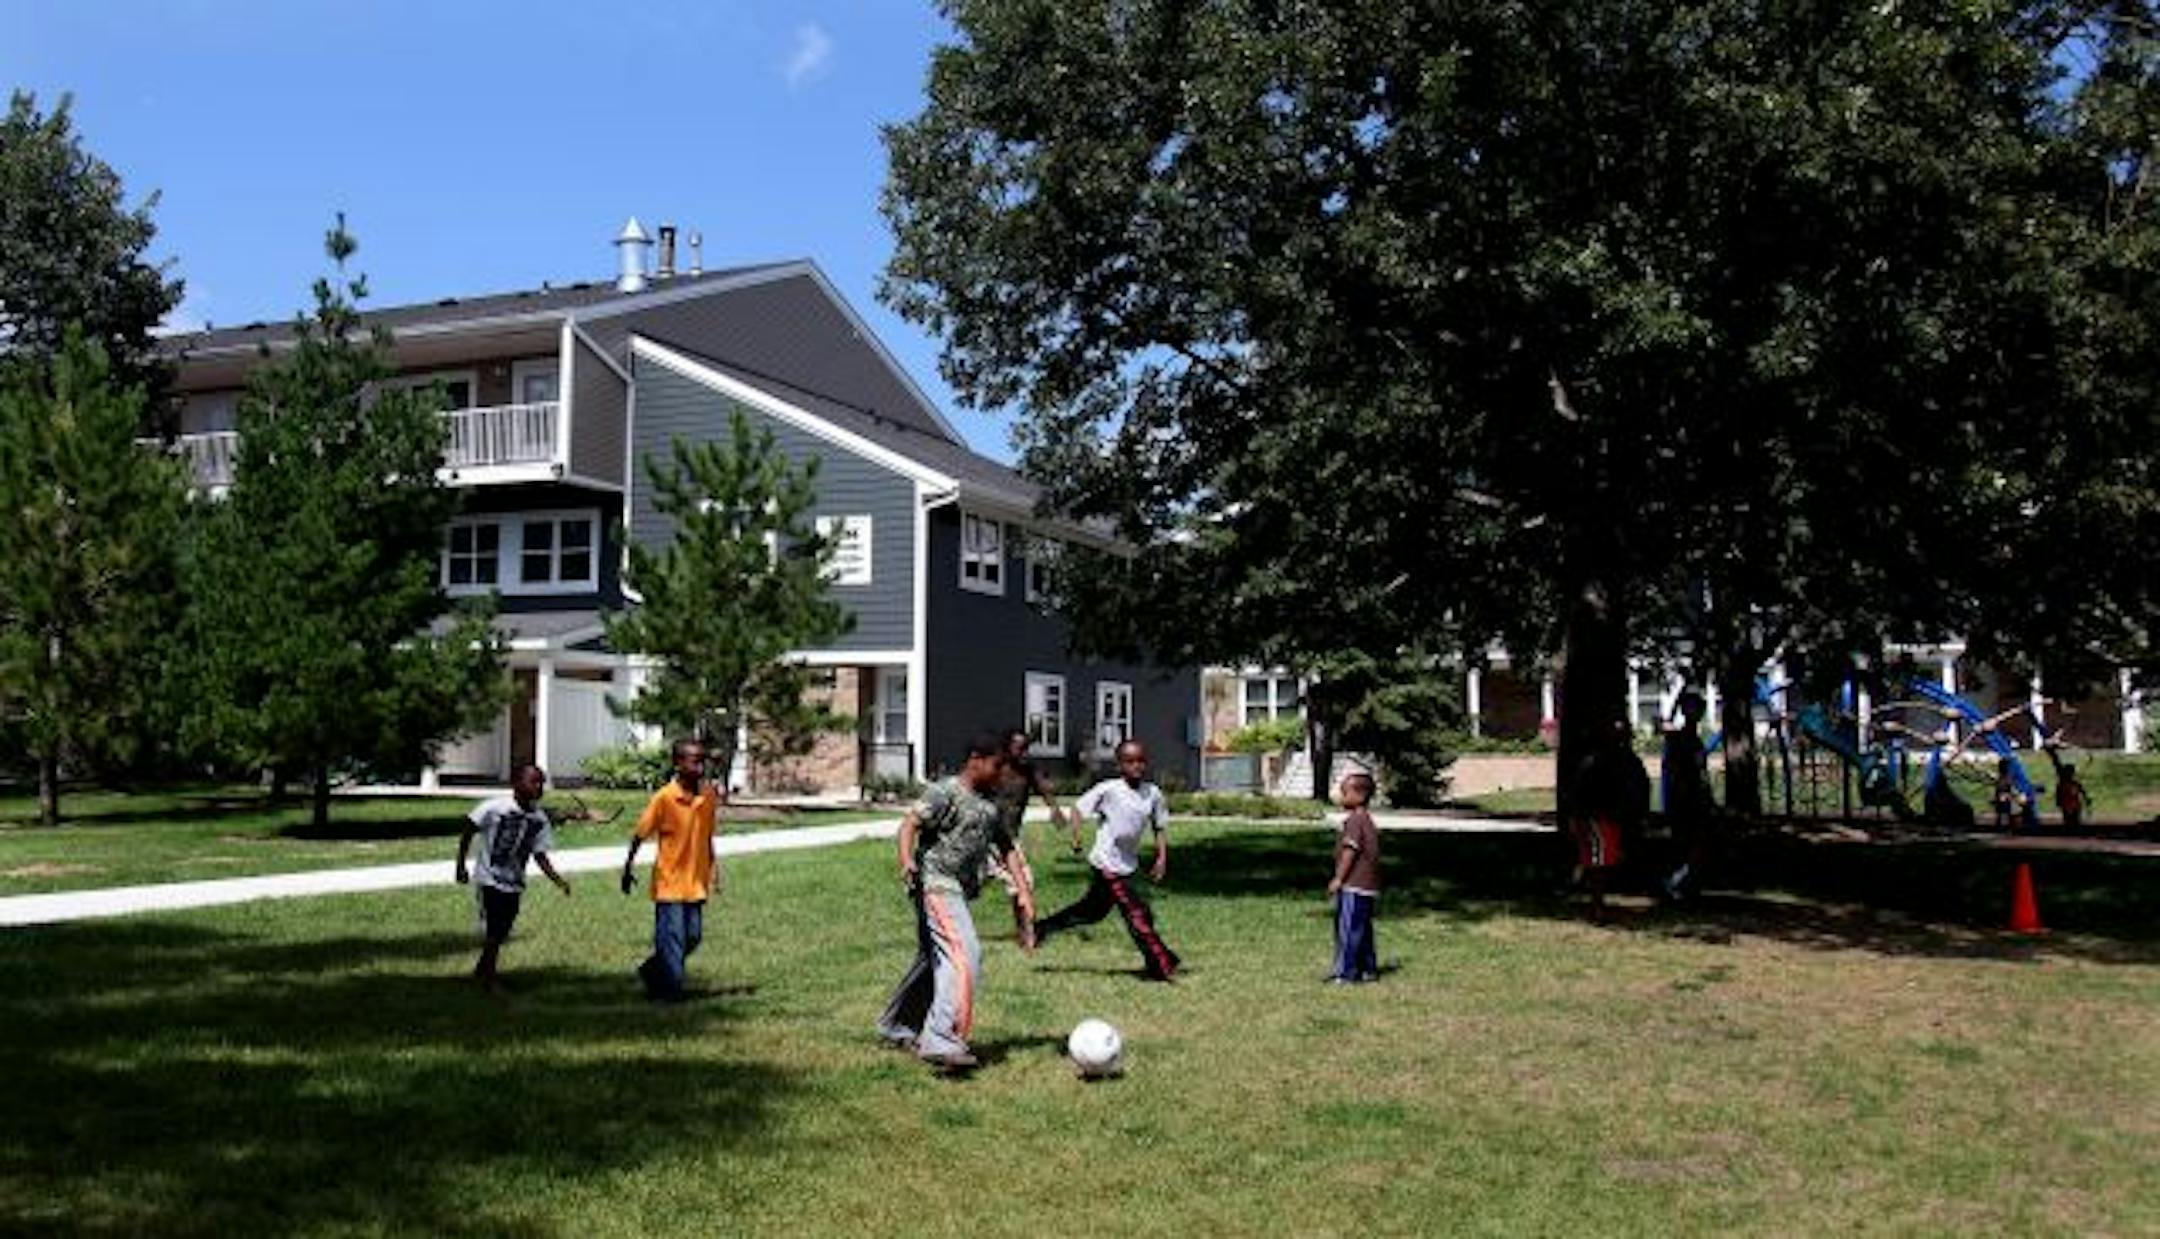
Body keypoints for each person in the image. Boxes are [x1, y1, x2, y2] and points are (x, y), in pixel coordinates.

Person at [878, 731, 1034, 1071]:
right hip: (936, 883)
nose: (1001, 775)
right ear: (975, 760)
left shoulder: (991, 807)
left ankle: (898, 1025)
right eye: (996, 766)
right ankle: (941, 1040)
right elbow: (909, 824)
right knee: (964, 953)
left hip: (957, 888)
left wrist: (1022, 890)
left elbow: (1006, 848)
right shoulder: (946, 792)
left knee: (932, 960)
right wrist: (906, 860)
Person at [1033, 739, 1181, 981]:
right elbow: (1079, 809)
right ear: (1119, 765)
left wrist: (1162, 857)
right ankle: (1161, 964)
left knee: (1092, 912)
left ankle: (1041, 928)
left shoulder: (1152, 793)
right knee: (1136, 913)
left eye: (1141, 761)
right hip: (1107, 863)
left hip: (1128, 864)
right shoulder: (1109, 789)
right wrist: (1076, 836)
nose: (1137, 766)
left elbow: (1159, 827)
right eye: (1130, 761)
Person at [454, 764, 571, 993]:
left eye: (541, 782)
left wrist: (558, 880)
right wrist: (460, 865)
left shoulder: (538, 819)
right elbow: (469, 829)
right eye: (533, 781)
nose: (538, 787)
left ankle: (482, 969)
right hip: (489, 877)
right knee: (495, 928)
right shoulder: (494, 807)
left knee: (503, 929)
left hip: (514, 882)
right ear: (516, 784)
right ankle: (490, 980)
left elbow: (540, 856)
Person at [622, 738, 721, 1003]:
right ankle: (670, 993)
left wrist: (714, 868)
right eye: (695, 761)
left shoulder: (708, 796)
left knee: (692, 937)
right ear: (678, 764)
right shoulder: (664, 798)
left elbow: (707, 836)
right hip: (669, 883)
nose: (700, 768)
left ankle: (651, 971)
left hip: (695, 881)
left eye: (703, 761)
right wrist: (627, 867)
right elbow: (639, 835)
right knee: (673, 938)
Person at [984, 727, 1069, 950]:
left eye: (1026, 748)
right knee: (967, 884)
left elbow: (1043, 789)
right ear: (1007, 748)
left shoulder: (1028, 771)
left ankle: (1026, 933)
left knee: (1022, 883)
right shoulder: (995, 769)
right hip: (984, 838)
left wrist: (1055, 809)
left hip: (1008, 839)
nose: (1024, 753)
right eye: (1019, 748)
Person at [1566, 720, 1648, 922]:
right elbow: (1579, 792)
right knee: (1599, 863)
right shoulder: (1596, 761)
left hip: (1611, 818)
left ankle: (1591, 893)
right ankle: (1596, 906)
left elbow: (1638, 789)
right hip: (1595, 817)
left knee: (1604, 861)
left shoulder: (1628, 761)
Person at [1326, 771, 1381, 984]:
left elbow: (1350, 851)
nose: (1341, 795)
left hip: (1354, 885)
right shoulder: (1365, 819)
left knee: (1348, 930)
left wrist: (1339, 878)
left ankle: (1345, 973)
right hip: (1367, 886)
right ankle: (1368, 969)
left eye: (1344, 791)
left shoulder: (1356, 821)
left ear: (1360, 795)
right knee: (1362, 930)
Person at [1661, 691, 1712, 900]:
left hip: (1693, 798)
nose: (1695, 713)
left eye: (1698, 709)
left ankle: (1683, 882)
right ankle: (1676, 882)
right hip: (1684, 800)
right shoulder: (1678, 740)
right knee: (1688, 844)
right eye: (1691, 708)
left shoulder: (1694, 741)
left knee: (1695, 844)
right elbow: (1674, 772)